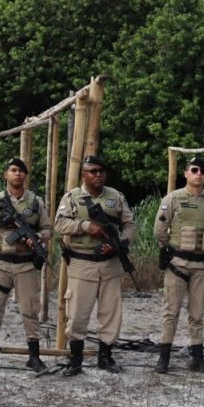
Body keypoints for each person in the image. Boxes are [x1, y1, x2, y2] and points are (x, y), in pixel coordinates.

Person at [54, 155, 136, 375]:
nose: (98, 175)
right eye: (93, 171)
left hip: (111, 265)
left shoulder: (116, 197)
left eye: (101, 171)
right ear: (84, 174)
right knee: (78, 313)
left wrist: (120, 243)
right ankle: (76, 360)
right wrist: (84, 226)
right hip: (82, 263)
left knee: (110, 312)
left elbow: (129, 225)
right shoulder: (72, 197)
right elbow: (59, 224)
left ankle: (105, 357)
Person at [0, 157, 52, 373]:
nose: (17, 174)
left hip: (26, 265)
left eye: (21, 171)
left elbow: (48, 229)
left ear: (25, 176)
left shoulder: (36, 202)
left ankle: (34, 357)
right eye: (13, 170)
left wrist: (35, 237)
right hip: (0, 263)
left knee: (29, 310)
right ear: (6, 175)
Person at [152, 156, 204, 376]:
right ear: (186, 173)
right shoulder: (173, 199)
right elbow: (159, 230)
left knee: (197, 313)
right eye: (194, 170)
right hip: (178, 264)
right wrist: (169, 250)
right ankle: (164, 357)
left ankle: (197, 358)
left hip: (202, 265)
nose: (199, 174)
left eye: (203, 171)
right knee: (171, 311)